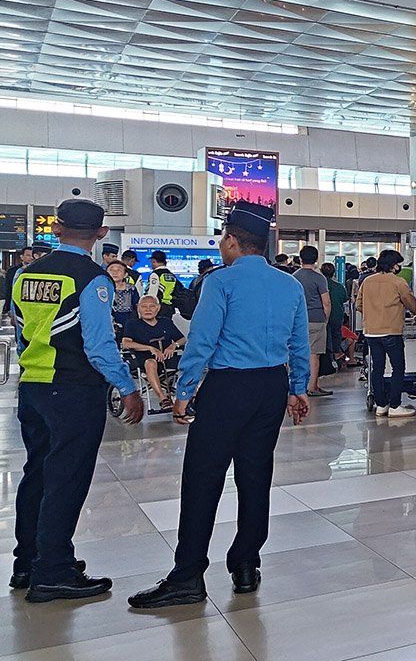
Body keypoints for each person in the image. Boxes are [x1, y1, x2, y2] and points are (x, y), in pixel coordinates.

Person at [128, 201, 310, 609]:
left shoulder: (220, 282)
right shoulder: (289, 284)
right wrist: (297, 388)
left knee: (203, 477)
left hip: (228, 388)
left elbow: (203, 341)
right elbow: (299, 343)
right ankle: (246, 564)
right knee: (255, 474)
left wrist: (183, 392)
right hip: (270, 386)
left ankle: (188, 575)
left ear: (231, 240)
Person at [9, 200, 141, 603]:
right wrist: (128, 387)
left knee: (38, 474)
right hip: (73, 391)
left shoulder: (24, 275)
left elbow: (20, 333)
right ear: (101, 234)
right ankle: (54, 571)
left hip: (32, 387)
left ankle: (28, 562)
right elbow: (99, 347)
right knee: (67, 478)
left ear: (58, 227)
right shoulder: (94, 279)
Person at [357, 249, 416, 418]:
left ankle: (381, 405)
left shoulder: (367, 281)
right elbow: (411, 303)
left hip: (371, 331)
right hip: (391, 331)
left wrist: (372, 314)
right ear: (394, 265)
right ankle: (395, 405)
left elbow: (358, 304)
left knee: (377, 368)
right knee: (398, 367)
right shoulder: (398, 282)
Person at [121, 296, 187, 410]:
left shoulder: (165, 322)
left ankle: (188, 396)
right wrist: (150, 348)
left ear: (158, 308)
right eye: (144, 307)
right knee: (150, 363)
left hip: (166, 357)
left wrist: (173, 346)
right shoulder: (132, 324)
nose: (148, 310)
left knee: (188, 361)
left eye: (152, 306)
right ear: (138, 308)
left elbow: (182, 339)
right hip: (144, 359)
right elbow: (126, 343)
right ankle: (163, 399)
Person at [292, 246, 332, 397]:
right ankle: (312, 387)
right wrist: (325, 319)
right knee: (314, 355)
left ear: (300, 259)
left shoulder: (293, 277)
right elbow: (326, 302)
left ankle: (296, 386)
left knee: (296, 353)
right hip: (316, 319)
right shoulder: (319, 278)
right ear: (316, 259)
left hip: (297, 320)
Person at [321, 262, 349, 368]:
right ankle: (336, 355)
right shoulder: (339, 287)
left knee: (324, 338)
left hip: (322, 316)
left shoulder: (319, 284)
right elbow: (345, 299)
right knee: (336, 336)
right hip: (337, 315)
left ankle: (326, 361)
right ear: (334, 273)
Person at [144, 250, 180, 319]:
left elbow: (152, 293)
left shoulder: (155, 274)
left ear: (154, 261)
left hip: (158, 308)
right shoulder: (172, 275)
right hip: (170, 308)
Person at [107, 260, 137, 334]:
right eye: (111, 270)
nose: (115, 273)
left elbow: (136, 305)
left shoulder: (131, 288)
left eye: (119, 270)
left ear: (125, 274)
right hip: (107, 323)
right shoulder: (103, 288)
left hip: (128, 323)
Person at [3, 246, 34, 316]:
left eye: (32, 255)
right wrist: (8, 307)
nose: (31, 258)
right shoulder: (12, 271)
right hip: (15, 303)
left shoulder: (37, 270)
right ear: (22, 257)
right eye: (28, 255)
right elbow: (9, 289)